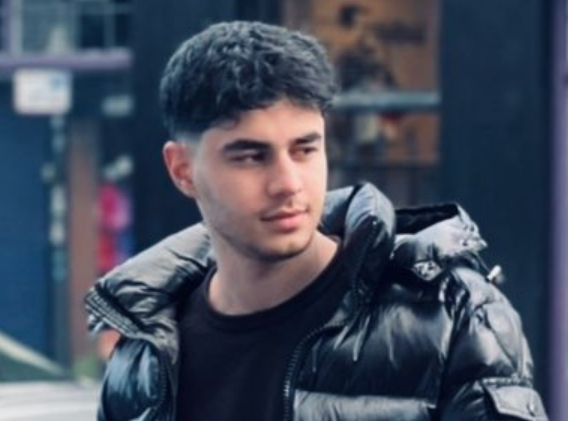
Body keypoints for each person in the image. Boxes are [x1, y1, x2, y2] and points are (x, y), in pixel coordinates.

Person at [85, 21, 547, 421]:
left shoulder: (451, 314)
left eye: (305, 149)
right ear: (183, 170)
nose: (288, 183)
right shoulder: (143, 362)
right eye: (251, 156)